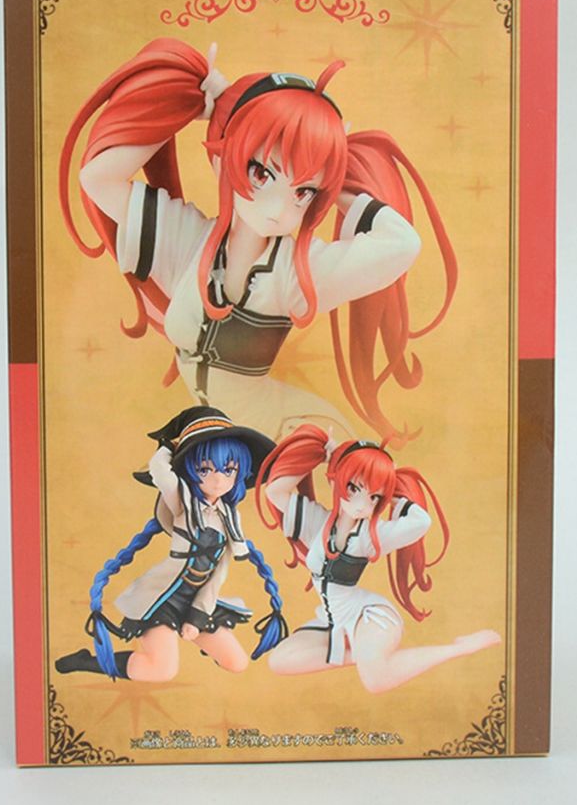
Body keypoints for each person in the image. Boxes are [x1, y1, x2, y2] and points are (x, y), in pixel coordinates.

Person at [59, 38, 457, 445]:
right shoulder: (187, 240)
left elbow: (402, 244)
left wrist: (334, 173)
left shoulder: (298, 273)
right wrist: (188, 107)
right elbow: (97, 178)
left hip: (284, 437)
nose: (279, 207)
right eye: (262, 173)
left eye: (303, 191)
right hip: (216, 444)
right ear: (221, 159)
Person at [255, 424, 500, 693]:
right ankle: (368, 657)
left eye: (373, 497)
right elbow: (275, 491)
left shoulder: (371, 536)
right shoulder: (316, 521)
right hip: (331, 621)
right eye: (354, 488)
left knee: (375, 682)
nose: (362, 504)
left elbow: (421, 522)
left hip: (369, 616)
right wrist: (326, 457)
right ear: (335, 479)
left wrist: (388, 488)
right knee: (280, 661)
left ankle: (457, 648)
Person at [56, 407, 286, 681]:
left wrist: (197, 617)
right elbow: (160, 472)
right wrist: (170, 448)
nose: (217, 480)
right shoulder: (182, 503)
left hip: (197, 599)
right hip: (161, 598)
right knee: (161, 670)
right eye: (205, 469)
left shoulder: (228, 517)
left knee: (236, 662)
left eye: (229, 470)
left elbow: (218, 572)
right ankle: (90, 661)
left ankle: (191, 636)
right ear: (189, 469)